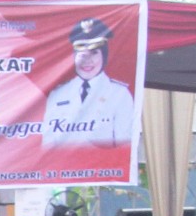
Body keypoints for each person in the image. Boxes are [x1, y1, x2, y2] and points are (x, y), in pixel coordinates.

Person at [42, 17, 135, 149]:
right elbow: (48, 144)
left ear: (104, 56)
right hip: (63, 168)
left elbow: (124, 146)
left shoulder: (119, 94)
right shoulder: (58, 94)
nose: (87, 61)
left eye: (94, 53)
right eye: (82, 55)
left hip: (102, 168)